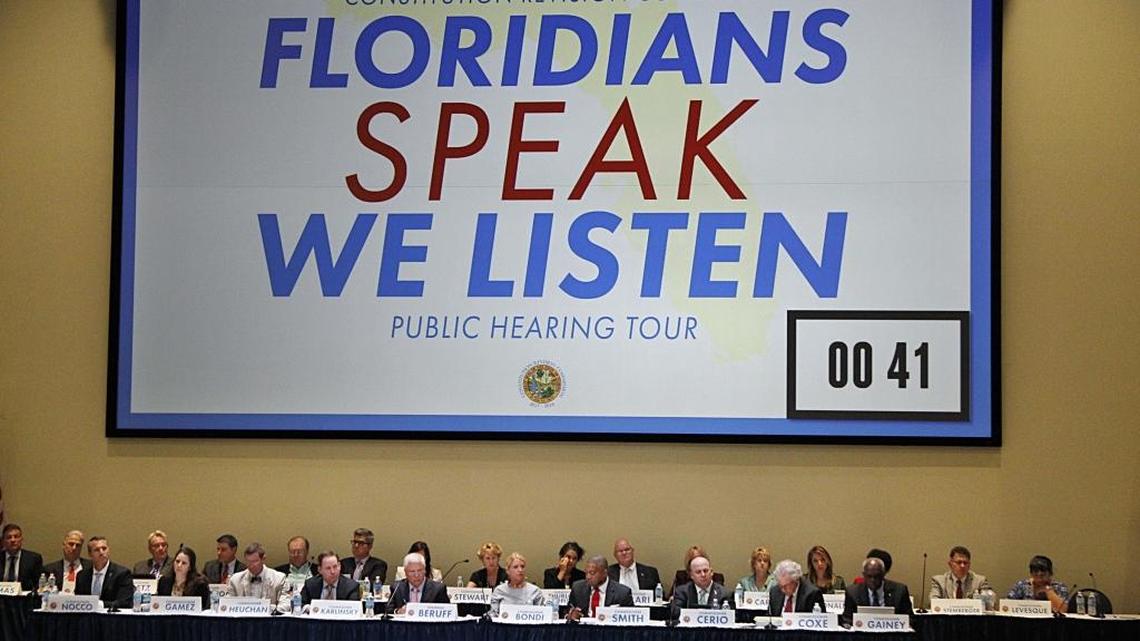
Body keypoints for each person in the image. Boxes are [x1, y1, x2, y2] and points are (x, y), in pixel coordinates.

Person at [842, 557, 913, 624]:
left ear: (883, 574)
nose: (872, 580)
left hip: (892, 634)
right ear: (864, 575)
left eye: (876, 576)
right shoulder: (853, 592)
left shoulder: (899, 591)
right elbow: (847, 618)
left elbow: (910, 618)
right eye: (869, 576)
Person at [566, 555, 634, 620]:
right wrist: (571, 614)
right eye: (586, 573)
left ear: (605, 573)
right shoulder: (578, 588)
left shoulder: (622, 593)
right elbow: (568, 610)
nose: (588, 577)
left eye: (592, 573)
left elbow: (630, 619)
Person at [227, 543, 291, 612]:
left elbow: (285, 604)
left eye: (255, 561)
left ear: (263, 559)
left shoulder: (279, 578)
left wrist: (268, 610)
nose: (251, 565)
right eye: (248, 562)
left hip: (269, 620)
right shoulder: (235, 580)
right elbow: (228, 604)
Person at [75, 536, 135, 609]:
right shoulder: (82, 576)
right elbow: (78, 601)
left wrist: (98, 604)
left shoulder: (122, 574)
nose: (101, 552)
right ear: (90, 554)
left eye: (104, 548)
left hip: (111, 618)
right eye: (97, 550)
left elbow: (125, 602)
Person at [386, 552, 450, 613]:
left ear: (425, 570)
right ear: (405, 572)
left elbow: (447, 611)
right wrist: (398, 611)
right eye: (412, 571)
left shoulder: (438, 589)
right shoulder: (397, 587)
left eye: (419, 570)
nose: (416, 575)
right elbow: (388, 610)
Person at [2, 523, 44, 591]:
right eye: (9, 537)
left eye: (16, 537)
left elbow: (38, 585)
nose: (13, 540)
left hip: (24, 599)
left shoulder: (34, 559)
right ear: (3, 541)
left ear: (21, 539)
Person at [43, 530, 85, 594]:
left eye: (78, 545)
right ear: (63, 545)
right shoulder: (49, 569)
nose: (74, 548)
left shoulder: (90, 567)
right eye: (71, 544)